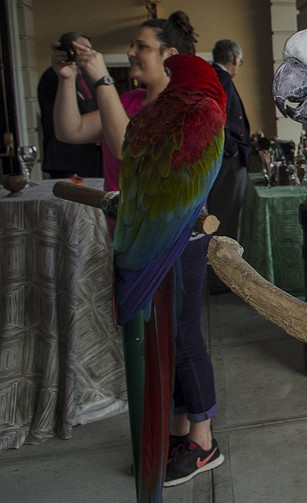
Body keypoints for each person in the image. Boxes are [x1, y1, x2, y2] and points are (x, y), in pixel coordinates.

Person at [51, 11, 224, 487]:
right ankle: (174, 432)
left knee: (182, 335)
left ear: (171, 57)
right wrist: (69, 80)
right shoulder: (129, 99)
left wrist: (100, 78)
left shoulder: (186, 110)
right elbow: (69, 131)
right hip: (133, 232)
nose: (131, 53)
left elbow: (126, 145)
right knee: (156, 339)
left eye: (141, 46)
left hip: (176, 237)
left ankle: (203, 441)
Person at [207, 39, 251, 294]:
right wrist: (232, 149)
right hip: (228, 161)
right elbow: (217, 118)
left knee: (224, 216)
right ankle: (221, 279)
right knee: (225, 219)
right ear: (234, 59)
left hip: (227, 158)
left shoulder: (216, 76)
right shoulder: (220, 78)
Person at [37, 32, 102, 179]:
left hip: (90, 155)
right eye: (83, 48)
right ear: (68, 50)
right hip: (66, 156)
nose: (89, 53)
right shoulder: (55, 75)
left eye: (90, 49)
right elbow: (86, 109)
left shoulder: (86, 76)